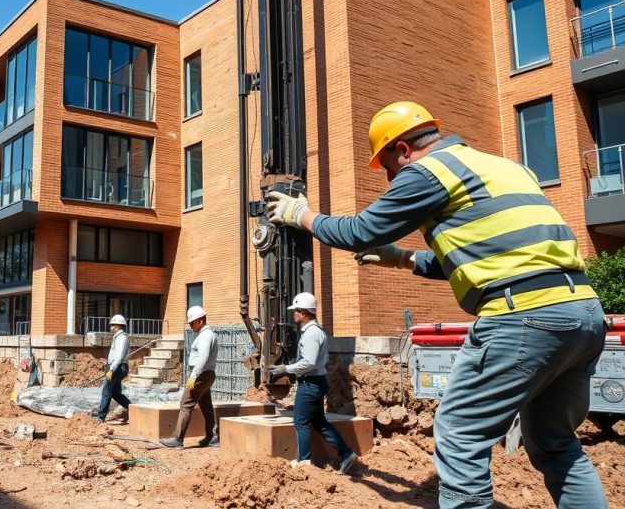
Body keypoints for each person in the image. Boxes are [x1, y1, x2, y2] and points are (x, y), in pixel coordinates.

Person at [265, 101, 608, 508]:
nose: (391, 179)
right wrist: (402, 257)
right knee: (555, 444)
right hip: (582, 313)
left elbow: (359, 230)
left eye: (388, 167)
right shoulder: (503, 167)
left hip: (523, 316)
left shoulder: (428, 171)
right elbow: (494, 257)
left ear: (403, 149)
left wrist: (300, 214)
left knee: (460, 433)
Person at [268, 292, 358, 474]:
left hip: (310, 383)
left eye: (296, 311)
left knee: (300, 422)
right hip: (316, 382)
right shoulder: (316, 331)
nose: (293, 314)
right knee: (319, 422)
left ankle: (304, 461)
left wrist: (285, 368)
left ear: (303, 312)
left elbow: (308, 362)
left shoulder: (311, 334)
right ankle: (347, 453)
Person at [160, 306, 218, 449]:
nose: (191, 326)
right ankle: (213, 437)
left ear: (200, 321)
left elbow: (203, 358)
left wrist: (193, 376)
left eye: (192, 323)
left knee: (185, 404)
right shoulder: (208, 334)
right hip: (207, 374)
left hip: (201, 375)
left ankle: (178, 439)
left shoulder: (205, 336)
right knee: (206, 406)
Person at [95, 314, 132, 423]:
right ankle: (132, 409)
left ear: (119, 326)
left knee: (106, 391)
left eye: (113, 325)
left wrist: (111, 369)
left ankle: (101, 417)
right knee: (115, 393)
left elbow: (119, 357)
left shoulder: (121, 338)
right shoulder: (118, 337)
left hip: (118, 368)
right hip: (117, 367)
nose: (111, 327)